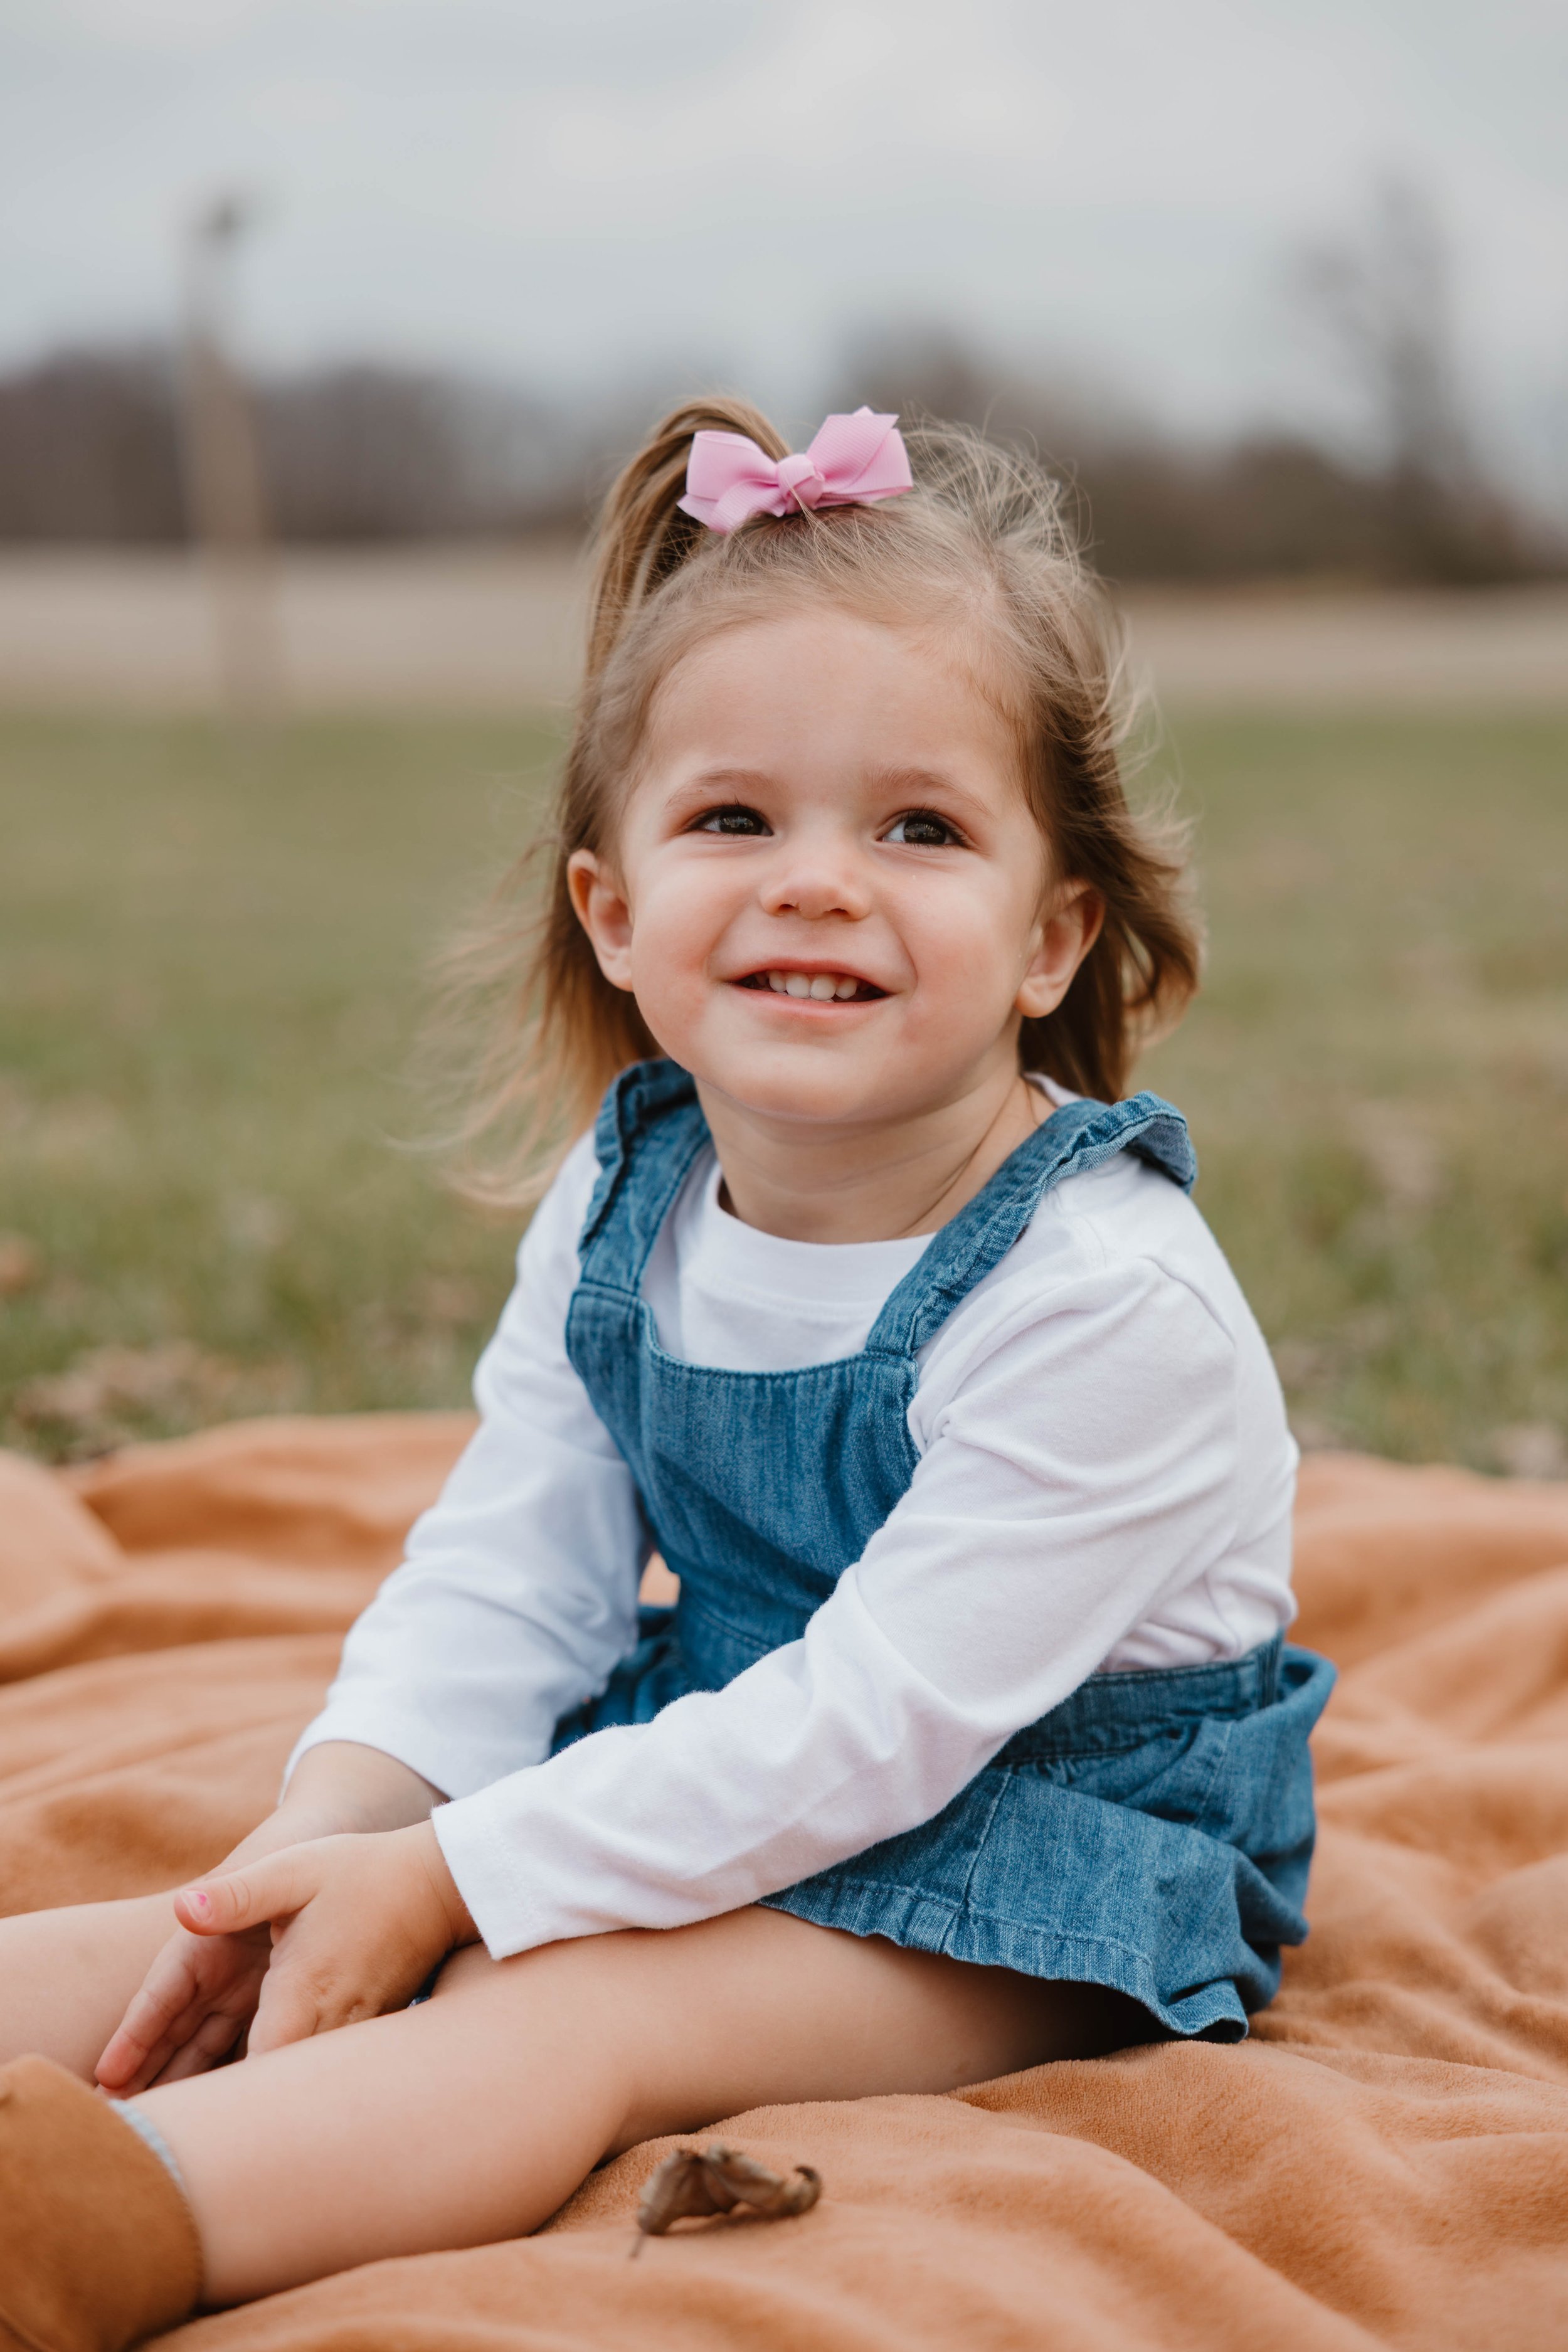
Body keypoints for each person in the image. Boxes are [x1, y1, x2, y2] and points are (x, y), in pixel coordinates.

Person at [0, 401, 1333, 2348]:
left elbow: (878, 1728)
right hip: (711, 1742)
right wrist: (344, 1829)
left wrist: (473, 1872)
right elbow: (511, 1569)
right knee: (222, 1926)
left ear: (1053, 935)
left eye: (918, 828)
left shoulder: (1103, 1298)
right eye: (732, 818)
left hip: (1038, 1836)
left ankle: (95, 2229)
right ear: (609, 907)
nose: (814, 881)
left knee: (572, 2005)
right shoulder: (632, 1196)